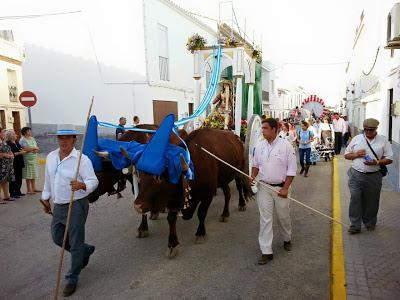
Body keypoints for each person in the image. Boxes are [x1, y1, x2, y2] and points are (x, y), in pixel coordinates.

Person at [41, 124, 99, 297]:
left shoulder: (82, 159)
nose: (63, 141)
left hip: (77, 204)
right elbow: (48, 179)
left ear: (74, 139)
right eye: (60, 137)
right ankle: (84, 250)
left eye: (67, 137)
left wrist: (82, 185)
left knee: (74, 241)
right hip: (59, 204)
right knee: (57, 236)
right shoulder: (51, 157)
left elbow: (93, 181)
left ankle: (72, 277)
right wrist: (46, 197)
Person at [250, 118, 297, 265]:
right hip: (264, 187)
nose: (262, 131)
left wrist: (285, 188)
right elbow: (256, 164)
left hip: (281, 188)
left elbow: (292, 169)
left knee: (283, 216)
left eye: (265, 128)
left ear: (275, 129)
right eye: (262, 128)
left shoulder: (286, 146)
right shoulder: (259, 146)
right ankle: (266, 251)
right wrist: (252, 176)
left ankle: (287, 238)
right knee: (265, 219)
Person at [344, 118, 393, 234]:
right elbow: (346, 155)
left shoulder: (383, 141)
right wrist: (355, 154)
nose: (368, 132)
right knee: (355, 198)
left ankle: (370, 222)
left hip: (374, 176)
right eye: (366, 130)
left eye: (371, 130)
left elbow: (389, 159)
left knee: (372, 201)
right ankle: (355, 225)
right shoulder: (357, 139)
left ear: (376, 129)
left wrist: (376, 162)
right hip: (356, 174)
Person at [19, 127, 40, 194]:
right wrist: (34, 148)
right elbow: (25, 149)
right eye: (29, 131)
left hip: (33, 158)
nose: (30, 132)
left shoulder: (32, 138)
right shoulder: (22, 140)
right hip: (27, 159)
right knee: (28, 174)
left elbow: (37, 147)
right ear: (25, 132)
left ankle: (34, 188)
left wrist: (36, 149)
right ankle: (29, 190)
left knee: (33, 173)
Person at [6, 130, 26, 198]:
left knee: (19, 177)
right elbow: (10, 153)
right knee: (13, 178)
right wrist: (20, 153)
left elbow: (20, 149)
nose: (16, 135)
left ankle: (18, 191)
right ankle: (12, 193)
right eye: (14, 134)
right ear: (10, 136)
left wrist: (22, 151)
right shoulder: (8, 144)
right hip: (13, 162)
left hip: (19, 162)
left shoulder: (16, 142)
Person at [0, 128, 14, 204]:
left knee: (5, 180)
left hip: (6, 164)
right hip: (1, 164)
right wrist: (6, 155)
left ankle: (6, 196)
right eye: (2, 132)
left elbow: (8, 149)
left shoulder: (3, 141)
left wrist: (11, 154)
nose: (4, 134)